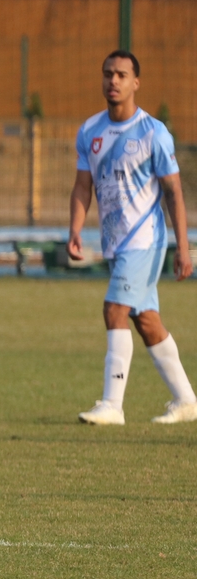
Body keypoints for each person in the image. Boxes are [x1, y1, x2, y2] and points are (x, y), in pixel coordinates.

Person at [71, 51, 195, 425]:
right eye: (108, 73)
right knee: (147, 321)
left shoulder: (153, 133)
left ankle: (112, 405)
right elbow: (83, 186)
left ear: (135, 83)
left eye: (122, 75)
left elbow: (173, 192)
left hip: (145, 240)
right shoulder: (90, 131)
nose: (113, 80)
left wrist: (184, 246)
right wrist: (75, 228)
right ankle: (187, 401)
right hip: (116, 243)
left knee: (114, 309)